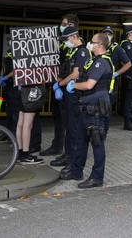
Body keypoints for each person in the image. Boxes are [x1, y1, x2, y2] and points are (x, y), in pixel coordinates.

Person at [64, 33, 114, 188]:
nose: (89, 44)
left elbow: (89, 85)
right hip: (86, 107)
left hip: (97, 109)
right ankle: (76, 170)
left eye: (92, 42)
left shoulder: (102, 63)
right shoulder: (93, 61)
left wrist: (73, 86)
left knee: (97, 142)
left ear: (99, 44)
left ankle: (97, 177)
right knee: (81, 140)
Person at [51, 26, 90, 169]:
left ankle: (73, 160)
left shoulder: (82, 52)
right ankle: (67, 155)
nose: (66, 42)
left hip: (74, 95)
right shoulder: (71, 51)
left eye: (66, 39)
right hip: (65, 94)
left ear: (74, 36)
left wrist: (60, 84)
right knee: (68, 125)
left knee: (74, 128)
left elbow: (75, 74)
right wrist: (57, 82)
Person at [41, 13, 79, 157]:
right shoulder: (60, 43)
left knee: (69, 121)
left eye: (65, 24)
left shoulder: (76, 48)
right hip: (59, 84)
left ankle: (68, 151)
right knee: (58, 117)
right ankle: (57, 145)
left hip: (68, 87)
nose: (62, 27)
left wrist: (60, 83)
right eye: (62, 24)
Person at [101, 26, 132, 107]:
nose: (107, 35)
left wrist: (116, 73)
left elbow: (128, 63)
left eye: (109, 34)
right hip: (97, 78)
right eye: (105, 33)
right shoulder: (97, 46)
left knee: (107, 104)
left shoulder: (117, 48)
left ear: (112, 36)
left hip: (111, 81)